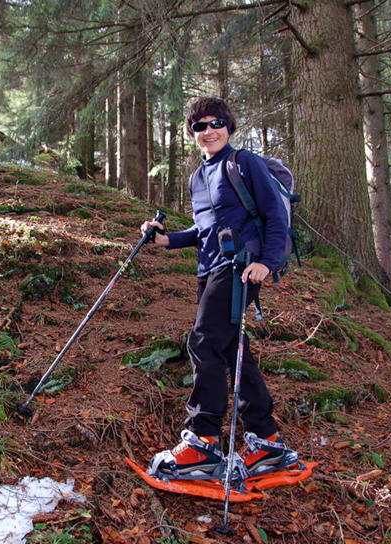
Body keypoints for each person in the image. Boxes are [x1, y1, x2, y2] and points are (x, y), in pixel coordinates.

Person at [141, 97, 293, 479]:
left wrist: (267, 262)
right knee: (231, 349)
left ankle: (202, 442)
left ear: (229, 127)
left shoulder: (244, 163)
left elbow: (275, 215)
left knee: (204, 341)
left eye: (216, 123)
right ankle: (267, 441)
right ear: (192, 133)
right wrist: (166, 239)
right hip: (209, 270)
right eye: (199, 126)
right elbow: (203, 229)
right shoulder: (197, 178)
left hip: (241, 268)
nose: (208, 131)